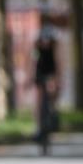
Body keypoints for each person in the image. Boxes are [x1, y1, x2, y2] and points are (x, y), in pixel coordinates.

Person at [31, 19, 61, 154]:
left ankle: (53, 112)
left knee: (52, 90)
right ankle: (38, 126)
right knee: (37, 101)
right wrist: (29, 77)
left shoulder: (55, 47)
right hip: (39, 74)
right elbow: (31, 61)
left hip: (51, 74)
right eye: (44, 41)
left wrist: (58, 79)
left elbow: (59, 62)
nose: (46, 43)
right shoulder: (36, 46)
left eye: (48, 41)